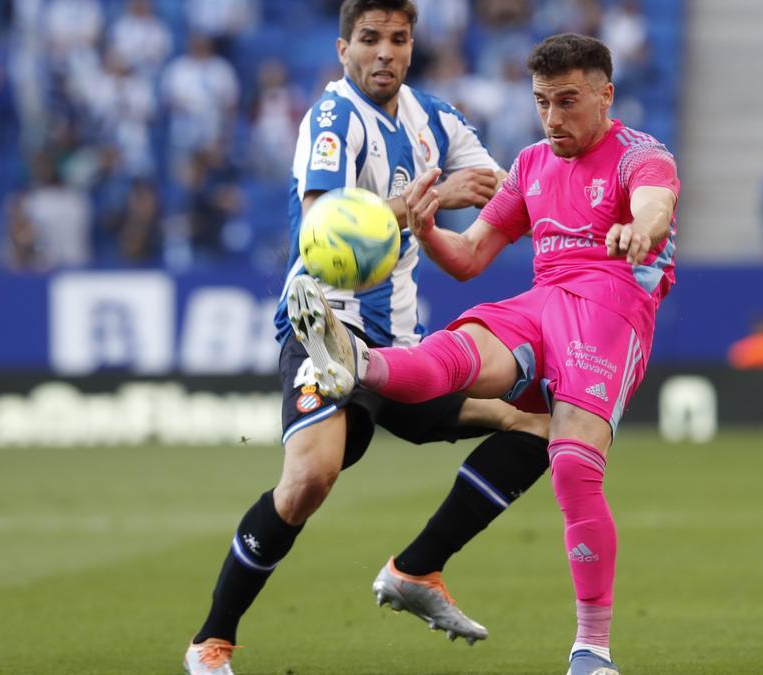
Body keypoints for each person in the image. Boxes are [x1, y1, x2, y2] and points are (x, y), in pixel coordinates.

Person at [288, 33, 679, 675]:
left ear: (606, 95)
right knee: (460, 356)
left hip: (609, 310)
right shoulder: (529, 165)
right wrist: (426, 230)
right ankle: (355, 364)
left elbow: (655, 205)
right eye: (542, 103)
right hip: (545, 299)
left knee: (575, 467)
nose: (552, 119)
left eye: (568, 102)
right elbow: (469, 258)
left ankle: (592, 649)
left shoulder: (642, 155)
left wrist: (640, 229)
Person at [183, 2, 552, 673]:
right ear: (343, 48)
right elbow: (323, 224)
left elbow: (506, 190)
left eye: (400, 38)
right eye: (371, 38)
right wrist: (430, 202)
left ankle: (418, 569)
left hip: (402, 351)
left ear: (413, 46)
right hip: (326, 326)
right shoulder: (332, 118)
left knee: (539, 422)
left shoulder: (433, 116)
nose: (386, 52)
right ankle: (212, 640)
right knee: (309, 480)